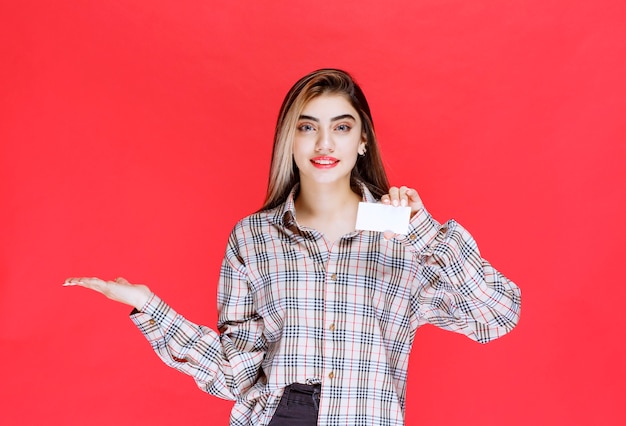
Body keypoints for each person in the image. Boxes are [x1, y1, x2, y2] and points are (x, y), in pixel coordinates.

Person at [64, 69, 521, 426]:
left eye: (341, 127)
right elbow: (235, 374)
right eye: (308, 127)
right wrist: (148, 306)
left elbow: (497, 315)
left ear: (363, 140)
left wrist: (425, 234)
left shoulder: (403, 240)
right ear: (291, 138)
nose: (325, 144)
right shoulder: (252, 238)